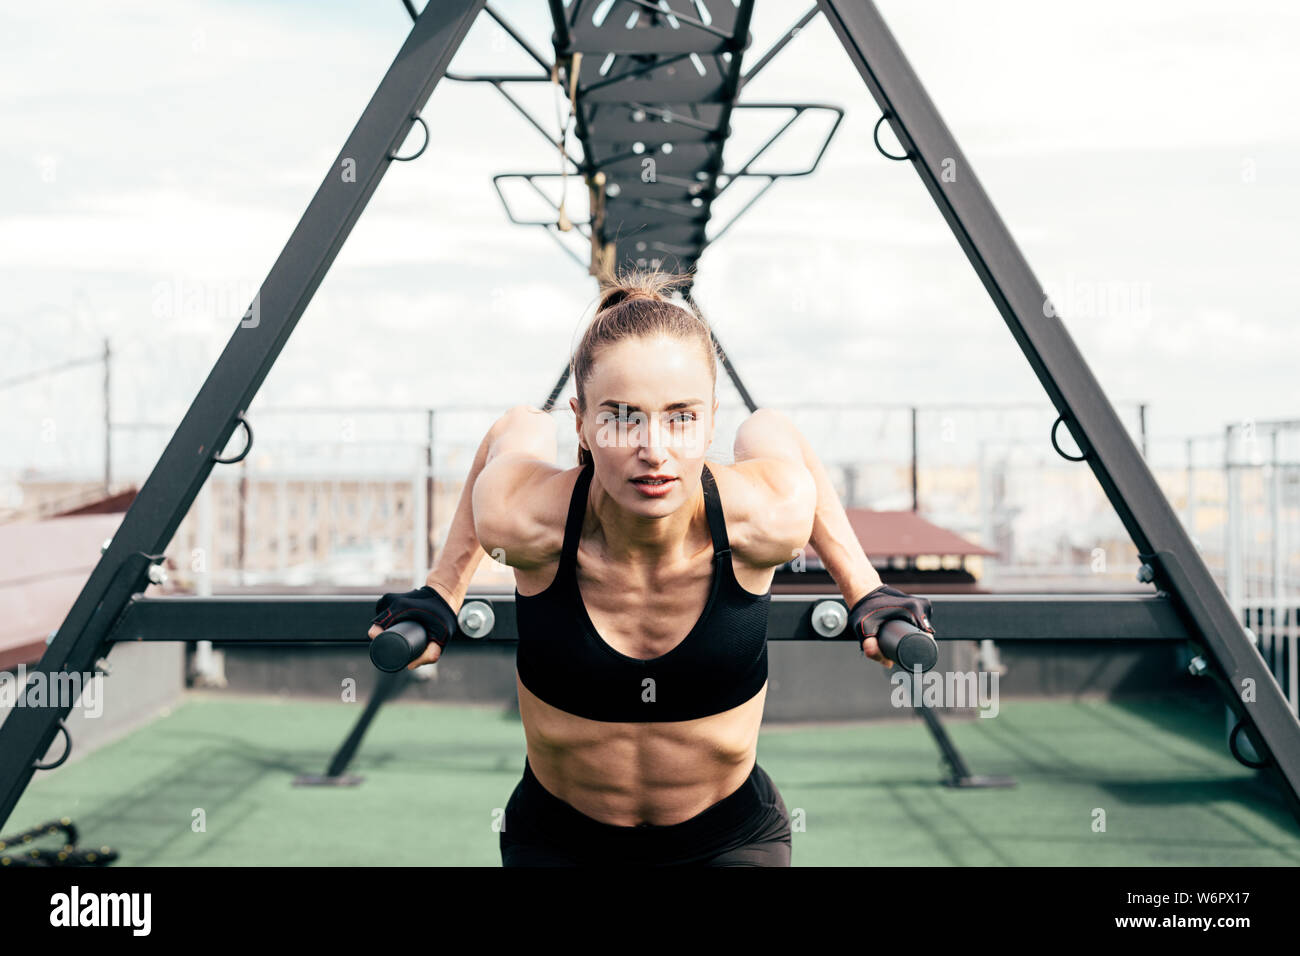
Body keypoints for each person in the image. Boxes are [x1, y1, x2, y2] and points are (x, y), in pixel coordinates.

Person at [369, 268, 934, 866]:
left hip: (729, 839)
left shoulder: (763, 518)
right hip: (558, 837)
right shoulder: (526, 521)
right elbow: (517, 425)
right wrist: (440, 592)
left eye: (682, 416)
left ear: (712, 419)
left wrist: (865, 591)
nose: (655, 449)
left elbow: (773, 429)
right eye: (622, 416)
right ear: (581, 421)